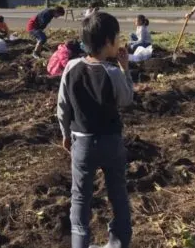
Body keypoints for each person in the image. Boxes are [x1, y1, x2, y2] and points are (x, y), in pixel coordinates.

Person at [57, 12, 134, 248]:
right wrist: (125, 69)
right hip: (111, 142)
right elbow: (126, 99)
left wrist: (65, 134)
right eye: (118, 38)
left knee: (80, 197)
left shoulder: (71, 67)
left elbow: (62, 107)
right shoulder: (112, 73)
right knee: (118, 194)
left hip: (82, 142)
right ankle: (119, 242)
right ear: (109, 42)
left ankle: (80, 243)